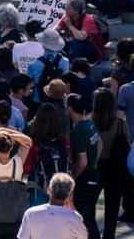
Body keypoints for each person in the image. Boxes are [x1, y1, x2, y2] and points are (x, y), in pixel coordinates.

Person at [90, 88, 129, 239]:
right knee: (112, 209)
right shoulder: (119, 124)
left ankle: (92, 235)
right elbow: (126, 146)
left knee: (90, 206)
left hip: (95, 167)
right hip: (116, 169)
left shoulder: (89, 124)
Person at [66, 93, 102, 239]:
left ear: (69, 108)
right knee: (90, 218)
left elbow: (82, 161)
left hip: (84, 180)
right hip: (94, 176)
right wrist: (94, 162)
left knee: (84, 220)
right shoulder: (90, 124)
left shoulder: (77, 131)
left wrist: (71, 179)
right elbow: (99, 143)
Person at [18, 172, 89, 238]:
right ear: (71, 195)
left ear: (48, 190)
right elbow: (85, 236)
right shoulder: (75, 217)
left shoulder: (31, 213)